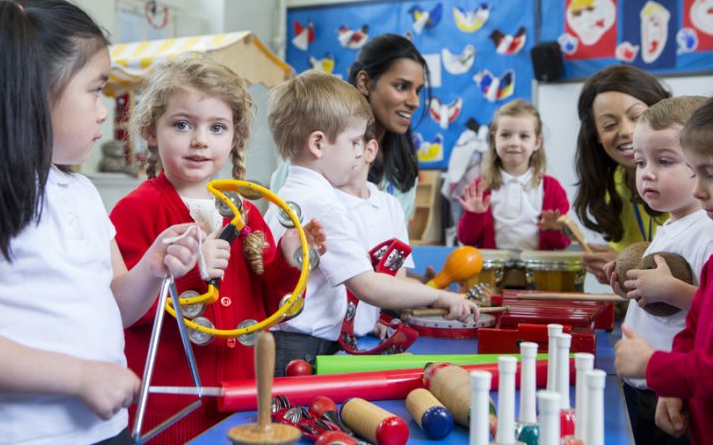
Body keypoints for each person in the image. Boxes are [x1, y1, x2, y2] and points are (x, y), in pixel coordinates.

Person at [0, 0, 202, 445]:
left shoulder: (81, 193)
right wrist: (78, 376)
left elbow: (115, 303)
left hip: (106, 428)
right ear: (33, 91)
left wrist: (152, 268)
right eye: (96, 90)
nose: (104, 110)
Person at [109, 55, 325, 444]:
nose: (200, 140)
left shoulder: (248, 215)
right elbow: (122, 312)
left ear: (234, 137)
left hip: (239, 403)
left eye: (217, 127)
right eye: (182, 124)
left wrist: (294, 259)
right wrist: (190, 272)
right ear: (151, 131)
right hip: (169, 410)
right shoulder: (136, 210)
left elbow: (273, 302)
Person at [264, 70, 478, 375]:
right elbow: (368, 284)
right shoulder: (323, 205)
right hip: (301, 350)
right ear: (318, 144)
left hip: (292, 343)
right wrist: (440, 296)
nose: (357, 154)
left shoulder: (290, 194)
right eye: (353, 142)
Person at [610, 96, 713, 445]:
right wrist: (636, 289)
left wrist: (669, 290)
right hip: (655, 384)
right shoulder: (671, 225)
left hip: (678, 388)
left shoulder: (706, 229)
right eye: (640, 162)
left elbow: (704, 308)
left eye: (664, 161)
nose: (647, 173)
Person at [271, 33, 428, 219]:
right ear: (365, 82)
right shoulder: (317, 147)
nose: (415, 101)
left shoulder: (403, 164)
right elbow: (286, 215)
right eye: (401, 86)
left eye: (418, 91)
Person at [574, 65, 671, 282]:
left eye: (637, 117)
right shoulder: (612, 185)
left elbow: (696, 271)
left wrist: (627, 264)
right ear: (596, 135)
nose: (626, 131)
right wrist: (616, 276)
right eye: (609, 124)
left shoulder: (690, 181)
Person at [456, 99, 571, 251]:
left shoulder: (552, 189)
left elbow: (563, 243)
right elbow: (467, 240)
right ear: (493, 139)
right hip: (492, 273)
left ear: (537, 142)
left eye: (523, 136)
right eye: (505, 135)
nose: (514, 142)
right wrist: (473, 216)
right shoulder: (480, 187)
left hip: (536, 273)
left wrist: (553, 229)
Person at [335, 129, 414, 339]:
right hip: (330, 335)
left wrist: (386, 317)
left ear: (370, 150)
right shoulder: (327, 201)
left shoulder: (391, 205)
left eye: (351, 143)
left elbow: (398, 273)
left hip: (370, 334)